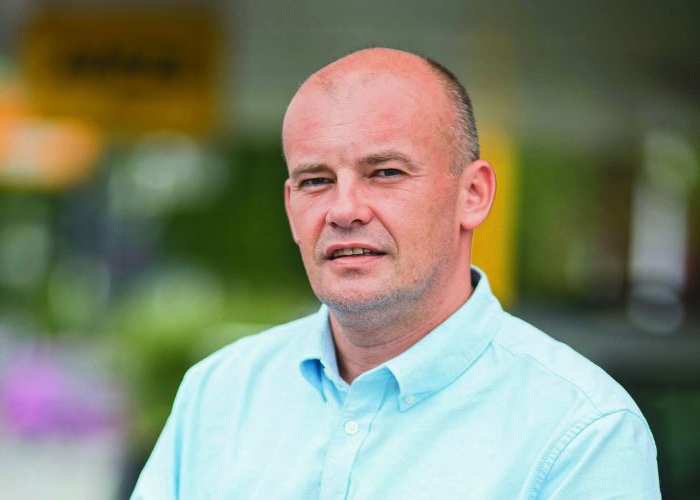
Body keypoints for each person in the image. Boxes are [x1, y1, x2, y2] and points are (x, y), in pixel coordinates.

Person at [132, 48, 660, 499]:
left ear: (473, 194)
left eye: (385, 172)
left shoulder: (582, 432)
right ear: (291, 208)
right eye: (316, 180)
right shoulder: (219, 394)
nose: (344, 210)